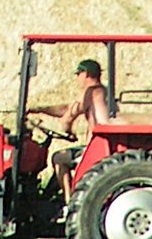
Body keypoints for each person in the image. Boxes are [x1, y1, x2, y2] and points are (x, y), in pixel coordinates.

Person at [27, 58, 111, 202]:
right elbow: (68, 108)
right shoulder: (101, 91)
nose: (77, 79)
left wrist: (67, 130)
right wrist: (40, 109)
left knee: (58, 158)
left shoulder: (90, 92)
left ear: (85, 74)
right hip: (100, 145)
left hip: (95, 149)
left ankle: (69, 201)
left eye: (78, 74)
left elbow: (68, 117)